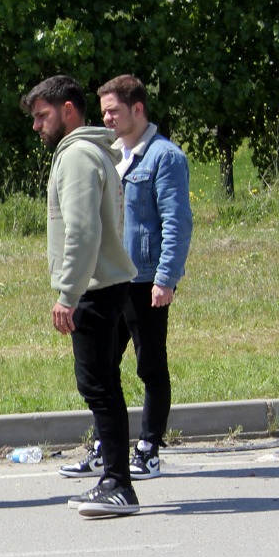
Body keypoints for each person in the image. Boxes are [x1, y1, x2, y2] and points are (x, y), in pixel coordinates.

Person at [22, 75, 140, 518]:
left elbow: (83, 231)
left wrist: (68, 293)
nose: (37, 126)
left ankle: (118, 484)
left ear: (68, 110)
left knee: (98, 386)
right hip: (106, 285)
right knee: (104, 384)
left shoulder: (76, 157)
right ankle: (115, 478)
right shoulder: (94, 152)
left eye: (42, 116)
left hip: (92, 290)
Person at [97, 74, 192, 479]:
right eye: (103, 112)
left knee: (150, 365)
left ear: (138, 109)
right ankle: (107, 445)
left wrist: (166, 278)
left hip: (146, 279)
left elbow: (177, 222)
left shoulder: (164, 157)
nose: (107, 119)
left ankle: (149, 448)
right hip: (111, 279)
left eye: (113, 110)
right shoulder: (111, 155)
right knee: (101, 367)